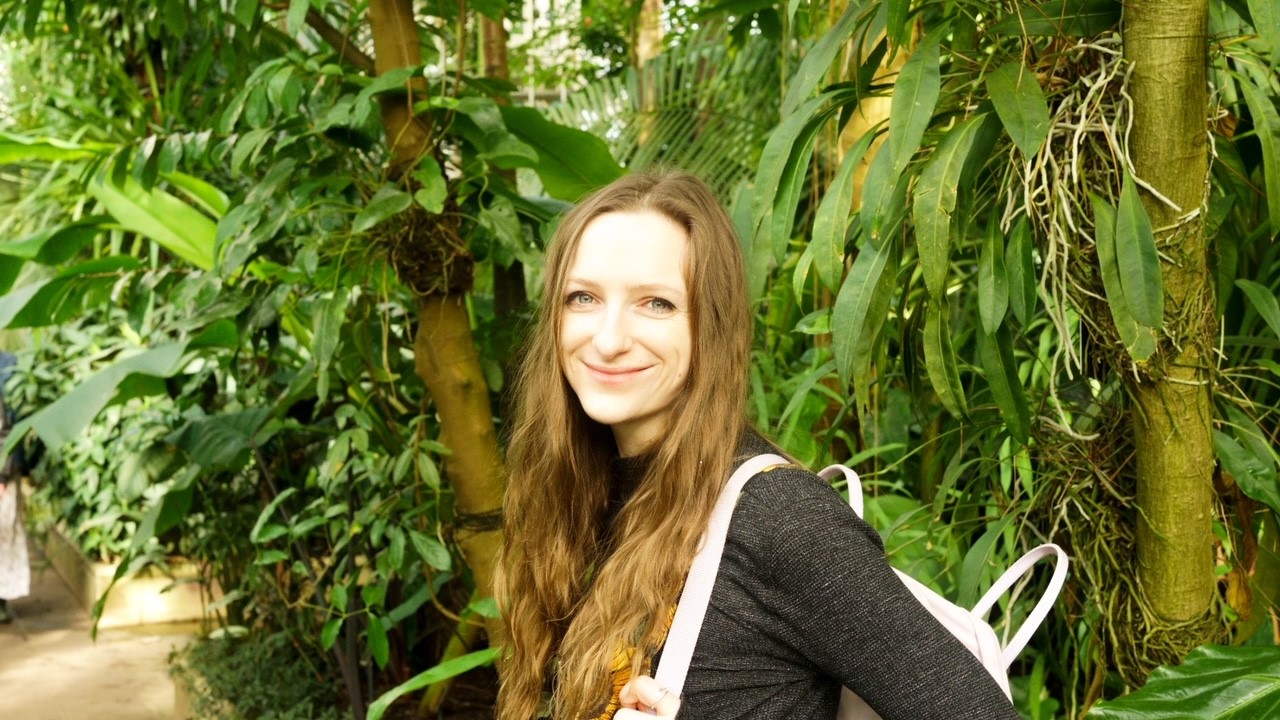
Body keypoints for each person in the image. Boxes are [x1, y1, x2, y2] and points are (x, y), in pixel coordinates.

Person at [494, 170, 1021, 719]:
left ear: (712, 325)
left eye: (657, 304)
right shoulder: (588, 498)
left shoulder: (781, 520)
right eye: (583, 297)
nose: (607, 340)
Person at [0, 351, 29, 624]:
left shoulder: (8, 366)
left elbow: (12, 426)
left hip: (2, 469)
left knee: (3, 534)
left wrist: (4, 474)